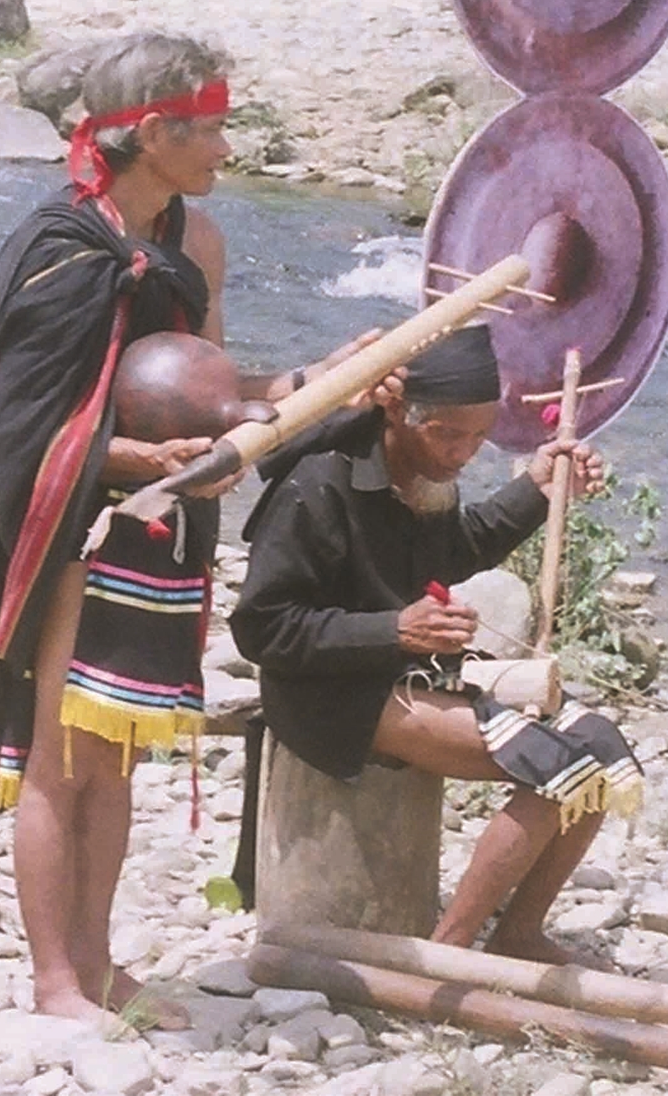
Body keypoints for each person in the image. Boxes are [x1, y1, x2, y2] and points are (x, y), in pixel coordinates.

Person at [232, 326, 641, 961]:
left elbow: (457, 548)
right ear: (395, 408)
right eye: (448, 435)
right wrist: (393, 629)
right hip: (327, 693)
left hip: (398, 670)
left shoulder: (423, 477)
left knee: (600, 749)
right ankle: (447, 952)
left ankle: (518, 933)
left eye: (478, 438)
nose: (461, 454)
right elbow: (262, 628)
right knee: (556, 769)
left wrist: (536, 486)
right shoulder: (315, 484)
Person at [0, 32, 235, 1027]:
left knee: (116, 751)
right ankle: (53, 983)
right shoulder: (60, 247)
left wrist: (298, 395)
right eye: (210, 125)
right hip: (73, 523)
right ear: (157, 131)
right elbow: (27, 430)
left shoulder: (197, 241)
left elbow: (209, 389)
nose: (224, 144)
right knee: (60, 749)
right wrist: (134, 464)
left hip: (160, 528)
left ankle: (99, 962)